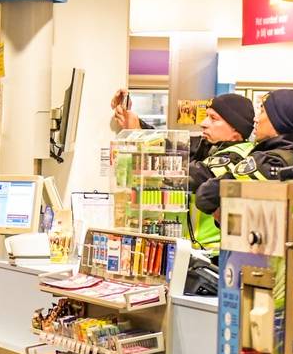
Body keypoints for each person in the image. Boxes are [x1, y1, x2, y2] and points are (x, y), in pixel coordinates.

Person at [110, 89, 256, 255]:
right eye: (207, 115)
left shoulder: (240, 156)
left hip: (215, 255)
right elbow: (169, 146)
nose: (204, 122)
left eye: (213, 119)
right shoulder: (208, 145)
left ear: (235, 131)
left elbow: (191, 175)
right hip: (191, 251)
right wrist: (137, 126)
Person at [193, 88, 293, 224]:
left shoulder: (266, 162)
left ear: (277, 120)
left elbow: (205, 196)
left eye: (262, 112)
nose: (255, 119)